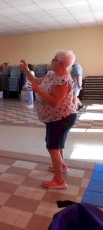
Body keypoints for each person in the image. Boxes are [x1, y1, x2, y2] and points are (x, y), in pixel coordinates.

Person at [19, 50, 77, 189]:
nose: (51, 61)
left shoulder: (63, 80)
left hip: (62, 118)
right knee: (57, 145)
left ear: (61, 63)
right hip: (55, 118)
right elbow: (35, 81)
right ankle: (61, 167)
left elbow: (55, 101)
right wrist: (26, 70)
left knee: (53, 147)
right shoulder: (52, 74)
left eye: (54, 59)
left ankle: (59, 181)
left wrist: (37, 91)